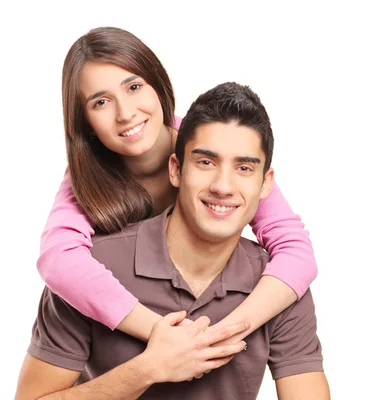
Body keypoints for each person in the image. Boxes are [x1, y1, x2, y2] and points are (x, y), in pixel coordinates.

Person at [16, 81, 329, 399]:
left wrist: (220, 335)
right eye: (206, 162)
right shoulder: (88, 274)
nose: (223, 185)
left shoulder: (280, 287)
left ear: (266, 185)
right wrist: (147, 369)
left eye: (244, 168)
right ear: (176, 169)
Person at [38, 26, 317, 349]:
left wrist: (224, 333)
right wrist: (166, 335)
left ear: (158, 84)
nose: (126, 114)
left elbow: (296, 252)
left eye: (134, 87)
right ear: (84, 120)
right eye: (101, 102)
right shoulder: (86, 173)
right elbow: (58, 261)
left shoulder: (212, 146)